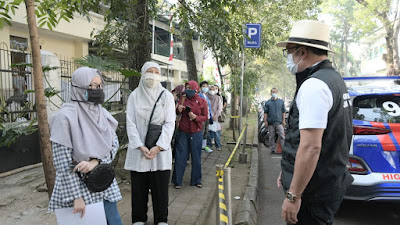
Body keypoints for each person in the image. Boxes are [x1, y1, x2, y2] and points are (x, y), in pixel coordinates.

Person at [276, 20, 353, 225]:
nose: (289, 58)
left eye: (290, 52)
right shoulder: (334, 79)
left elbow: (310, 147)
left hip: (314, 193)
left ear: (302, 52)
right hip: (328, 183)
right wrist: (286, 173)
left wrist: (294, 195)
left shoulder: (314, 86)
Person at [48, 67, 123, 225]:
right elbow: (62, 164)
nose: (97, 89)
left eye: (99, 85)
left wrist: (96, 161)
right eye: (91, 86)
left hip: (103, 182)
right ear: (79, 87)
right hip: (78, 187)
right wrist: (76, 197)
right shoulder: (64, 117)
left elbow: (113, 145)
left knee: (113, 220)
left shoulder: (102, 113)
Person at [124, 62, 175, 225]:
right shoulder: (134, 96)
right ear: (142, 73)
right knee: (139, 188)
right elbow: (130, 123)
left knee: (160, 187)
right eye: (149, 71)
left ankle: (161, 219)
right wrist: (141, 146)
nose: (152, 75)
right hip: (139, 150)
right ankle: (139, 218)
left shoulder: (166, 96)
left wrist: (158, 146)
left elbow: (170, 123)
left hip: (160, 151)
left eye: (155, 72)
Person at [171, 80, 208, 189]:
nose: (188, 90)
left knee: (196, 157)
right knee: (180, 156)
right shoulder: (182, 99)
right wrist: (179, 109)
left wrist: (196, 117)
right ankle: (177, 181)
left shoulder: (202, 101)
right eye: (186, 88)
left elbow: (206, 117)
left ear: (196, 89)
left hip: (196, 132)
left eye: (190, 88)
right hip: (183, 131)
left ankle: (197, 180)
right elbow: (176, 112)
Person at [263, 88, 286, 153]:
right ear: (271, 93)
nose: (274, 93)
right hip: (271, 123)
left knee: (282, 136)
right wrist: (265, 121)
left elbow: (283, 112)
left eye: (275, 92)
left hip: (279, 122)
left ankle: (283, 149)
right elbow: (265, 113)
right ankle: (272, 150)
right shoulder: (268, 103)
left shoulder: (281, 102)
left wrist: (283, 120)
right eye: (273, 92)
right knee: (271, 137)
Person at [198, 81, 213, 153]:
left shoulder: (206, 96)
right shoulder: (199, 96)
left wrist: (210, 116)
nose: (205, 88)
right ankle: (200, 146)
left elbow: (209, 107)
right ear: (200, 87)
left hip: (207, 117)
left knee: (206, 132)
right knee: (202, 131)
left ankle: (204, 146)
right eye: (203, 86)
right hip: (202, 117)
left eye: (206, 86)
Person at [207, 85, 223, 151]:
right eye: (210, 89)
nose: (212, 90)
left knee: (217, 133)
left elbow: (220, 108)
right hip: (207, 117)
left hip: (215, 117)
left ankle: (218, 145)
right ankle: (209, 145)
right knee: (208, 132)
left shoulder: (218, 98)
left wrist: (216, 116)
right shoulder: (206, 97)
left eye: (213, 89)